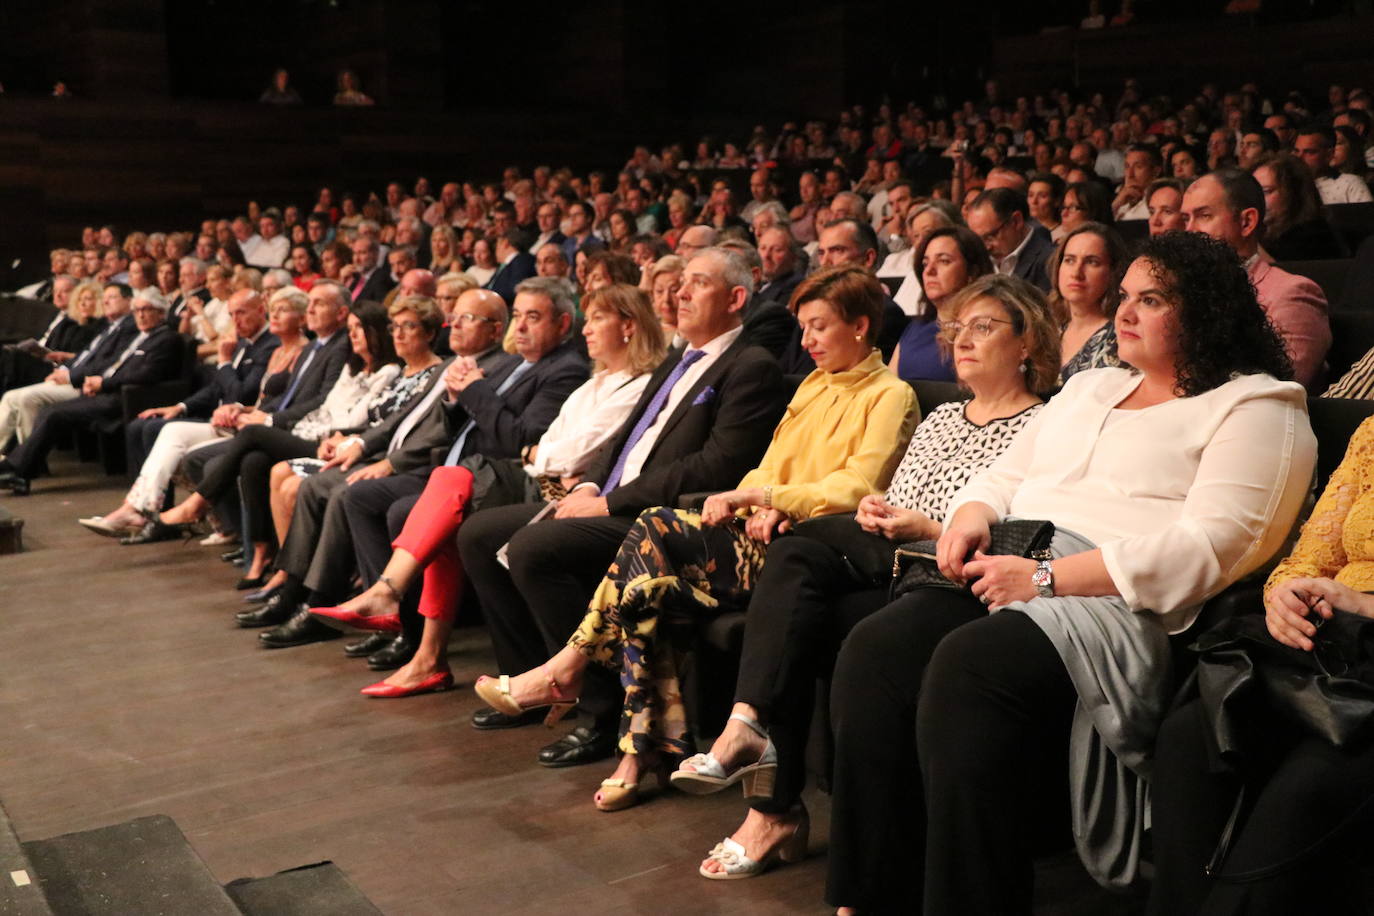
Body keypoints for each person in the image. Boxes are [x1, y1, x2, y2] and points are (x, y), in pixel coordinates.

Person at [824, 231, 1315, 914]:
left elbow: (1215, 547)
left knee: (971, 665)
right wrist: (971, 512)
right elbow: (1007, 472)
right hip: (1011, 556)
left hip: (1115, 598)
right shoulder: (1091, 384)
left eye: (1153, 299)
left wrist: (1048, 580)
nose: (1125, 313)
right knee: (876, 650)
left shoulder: (1258, 405)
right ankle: (870, 893)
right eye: (1125, 298)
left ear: (1206, 309)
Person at [473, 265, 917, 813]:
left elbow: (859, 484)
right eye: (802, 328)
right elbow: (766, 467)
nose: (806, 342)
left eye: (820, 327)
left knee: (656, 524)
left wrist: (768, 501)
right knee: (643, 594)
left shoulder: (890, 394)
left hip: (810, 550)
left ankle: (569, 665)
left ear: (861, 326)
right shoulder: (812, 384)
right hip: (759, 532)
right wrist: (750, 497)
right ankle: (641, 754)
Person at [677, 273, 1059, 881]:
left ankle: (762, 774)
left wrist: (918, 524)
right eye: (957, 328)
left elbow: (1010, 526)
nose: (961, 340)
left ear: (1028, 343)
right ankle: (754, 747)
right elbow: (891, 491)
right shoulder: (941, 417)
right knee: (796, 567)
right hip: (888, 552)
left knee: (806, 587)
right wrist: (875, 508)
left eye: (983, 328)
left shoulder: (1045, 423)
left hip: (947, 571)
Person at [456, 248, 787, 773]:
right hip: (609, 497)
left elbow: (715, 465)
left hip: (661, 520)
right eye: (679, 284)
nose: (679, 293)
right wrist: (589, 486)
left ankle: (599, 712)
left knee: (535, 549)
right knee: (478, 534)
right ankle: (530, 679)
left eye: (696, 285)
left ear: (736, 298)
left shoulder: (751, 366)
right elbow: (628, 443)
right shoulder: (681, 358)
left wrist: (608, 501)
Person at [308, 284, 668, 696]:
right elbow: (546, 445)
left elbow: (549, 448)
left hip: (551, 488)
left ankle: (399, 611)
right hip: (525, 474)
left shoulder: (614, 380)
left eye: (598, 318)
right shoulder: (592, 383)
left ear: (629, 327)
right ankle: (419, 647)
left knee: (447, 496)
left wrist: (528, 442)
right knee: (445, 502)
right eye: (519, 315)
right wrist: (536, 448)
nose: (587, 330)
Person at [246, 278, 585, 652]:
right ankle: (345, 603)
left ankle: (385, 620)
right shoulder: (513, 366)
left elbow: (516, 440)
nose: (519, 326)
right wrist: (457, 399)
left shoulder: (558, 369)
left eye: (531, 317)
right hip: (450, 469)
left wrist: (470, 391)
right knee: (341, 491)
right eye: (518, 315)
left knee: (375, 502)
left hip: (489, 478)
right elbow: (444, 423)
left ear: (564, 324)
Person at [1148, 416, 1374, 916]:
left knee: (1308, 785)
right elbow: (1303, 561)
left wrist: (1365, 605)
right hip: (1333, 648)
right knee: (1190, 738)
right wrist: (1286, 597)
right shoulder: (1371, 435)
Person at [79, 289, 282, 539]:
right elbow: (216, 388)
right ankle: (137, 508)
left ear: (261, 310)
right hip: (222, 420)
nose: (236, 320)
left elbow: (243, 393)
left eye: (241, 312)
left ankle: (145, 512)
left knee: (170, 435)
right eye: (231, 314)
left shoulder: (270, 345)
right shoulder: (242, 342)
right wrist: (180, 406)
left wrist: (224, 361)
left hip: (243, 424)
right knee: (164, 426)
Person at [0, 288, 182, 495]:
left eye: (146, 310)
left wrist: (103, 383)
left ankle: (16, 469)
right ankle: (20, 472)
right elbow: (113, 362)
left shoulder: (167, 339)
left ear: (160, 313)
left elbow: (146, 376)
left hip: (125, 398)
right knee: (50, 411)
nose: (140, 315)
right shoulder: (143, 336)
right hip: (107, 391)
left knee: (53, 413)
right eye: (137, 310)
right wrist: (94, 381)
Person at [1182, 169, 1331, 391]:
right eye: (1186, 219)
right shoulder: (1181, 291)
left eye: (1204, 216)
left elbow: (1275, 391)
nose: (1189, 230)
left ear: (1246, 222)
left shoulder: (1292, 294)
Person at [889, 223, 997, 386]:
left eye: (944, 261)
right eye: (925, 264)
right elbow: (889, 386)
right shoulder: (916, 327)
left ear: (972, 272)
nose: (929, 271)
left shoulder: (986, 329)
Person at [1049, 222, 1128, 380]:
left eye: (1092, 262)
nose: (1076, 273)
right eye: (1070, 260)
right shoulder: (1049, 328)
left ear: (1114, 272)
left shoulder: (1120, 337)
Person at [1250, 153, 1348, 260]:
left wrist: (1246, 240)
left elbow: (1284, 272)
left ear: (1293, 193)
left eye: (1266, 191)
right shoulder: (1263, 232)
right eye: (1253, 191)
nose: (1256, 199)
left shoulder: (1314, 235)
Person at [964, 187, 1054, 291]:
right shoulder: (978, 261)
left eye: (990, 236)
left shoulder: (1050, 261)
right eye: (979, 239)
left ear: (1016, 221)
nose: (986, 247)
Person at [1295, 125, 1373, 205]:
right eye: (1297, 151)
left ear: (1329, 154)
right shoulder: (1289, 185)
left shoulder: (1350, 184)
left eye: (1309, 152)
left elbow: (1367, 216)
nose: (1299, 157)